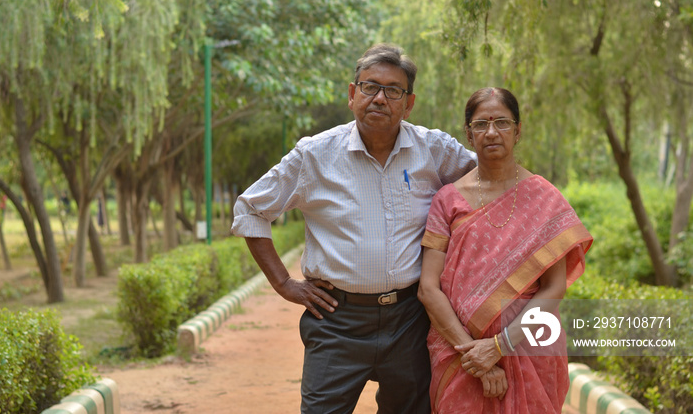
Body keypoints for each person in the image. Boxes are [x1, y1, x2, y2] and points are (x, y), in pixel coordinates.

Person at [231, 43, 477, 414]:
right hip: (335, 322)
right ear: (352, 94)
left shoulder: (435, 150)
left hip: (410, 319)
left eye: (393, 90)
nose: (379, 98)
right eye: (369, 87)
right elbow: (250, 210)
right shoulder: (314, 154)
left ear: (408, 104)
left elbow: (490, 185)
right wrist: (284, 284)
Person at [417, 87, 593, 413]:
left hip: (529, 350)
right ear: (469, 135)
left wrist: (501, 346)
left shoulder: (545, 198)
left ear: (518, 130)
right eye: (481, 124)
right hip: (461, 356)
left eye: (502, 122)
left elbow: (554, 287)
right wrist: (476, 356)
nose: (492, 132)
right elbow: (429, 288)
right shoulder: (447, 201)